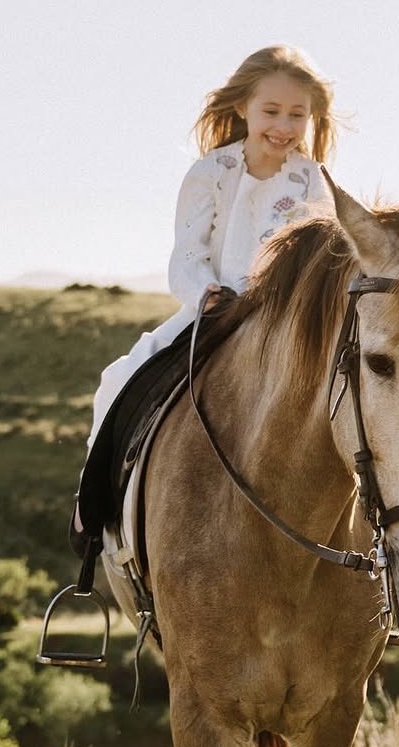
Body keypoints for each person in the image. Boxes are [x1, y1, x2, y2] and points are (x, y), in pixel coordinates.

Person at [71, 44, 338, 546]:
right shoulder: (210, 174)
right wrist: (207, 295)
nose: (283, 126)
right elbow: (186, 258)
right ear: (243, 108)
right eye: (271, 111)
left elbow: (326, 256)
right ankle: (95, 508)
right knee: (120, 377)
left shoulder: (313, 182)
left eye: (297, 115)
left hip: (283, 318)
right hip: (213, 307)